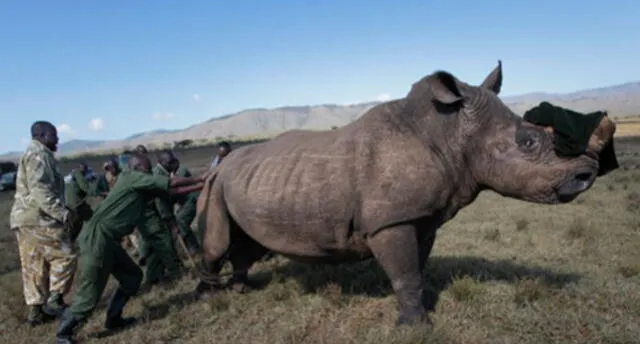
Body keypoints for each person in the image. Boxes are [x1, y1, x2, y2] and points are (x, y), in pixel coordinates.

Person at [54, 153, 207, 344]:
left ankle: (113, 318)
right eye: (146, 168)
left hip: (110, 240)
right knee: (90, 292)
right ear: (135, 167)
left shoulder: (139, 184)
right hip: (99, 238)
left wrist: (200, 186)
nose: (150, 172)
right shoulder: (132, 177)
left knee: (132, 277)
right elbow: (170, 182)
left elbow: (170, 191)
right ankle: (64, 335)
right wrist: (200, 178)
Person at [10, 121, 81, 326]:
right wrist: (62, 213)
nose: (57, 139)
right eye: (53, 135)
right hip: (38, 218)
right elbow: (40, 190)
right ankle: (55, 299)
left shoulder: (33, 154)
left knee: (34, 264)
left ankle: (36, 312)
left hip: (24, 219)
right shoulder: (38, 155)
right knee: (66, 254)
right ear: (41, 135)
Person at [136, 150, 184, 290]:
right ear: (162, 162)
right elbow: (161, 202)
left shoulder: (160, 172)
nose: (172, 164)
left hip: (151, 219)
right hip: (155, 219)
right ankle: (175, 273)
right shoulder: (157, 175)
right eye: (169, 163)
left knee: (157, 250)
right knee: (165, 246)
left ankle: (152, 277)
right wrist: (170, 222)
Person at [171, 164, 201, 254]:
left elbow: (175, 183)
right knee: (177, 219)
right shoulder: (169, 174)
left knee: (181, 220)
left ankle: (194, 247)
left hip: (193, 198)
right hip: (185, 202)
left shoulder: (181, 170)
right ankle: (187, 245)